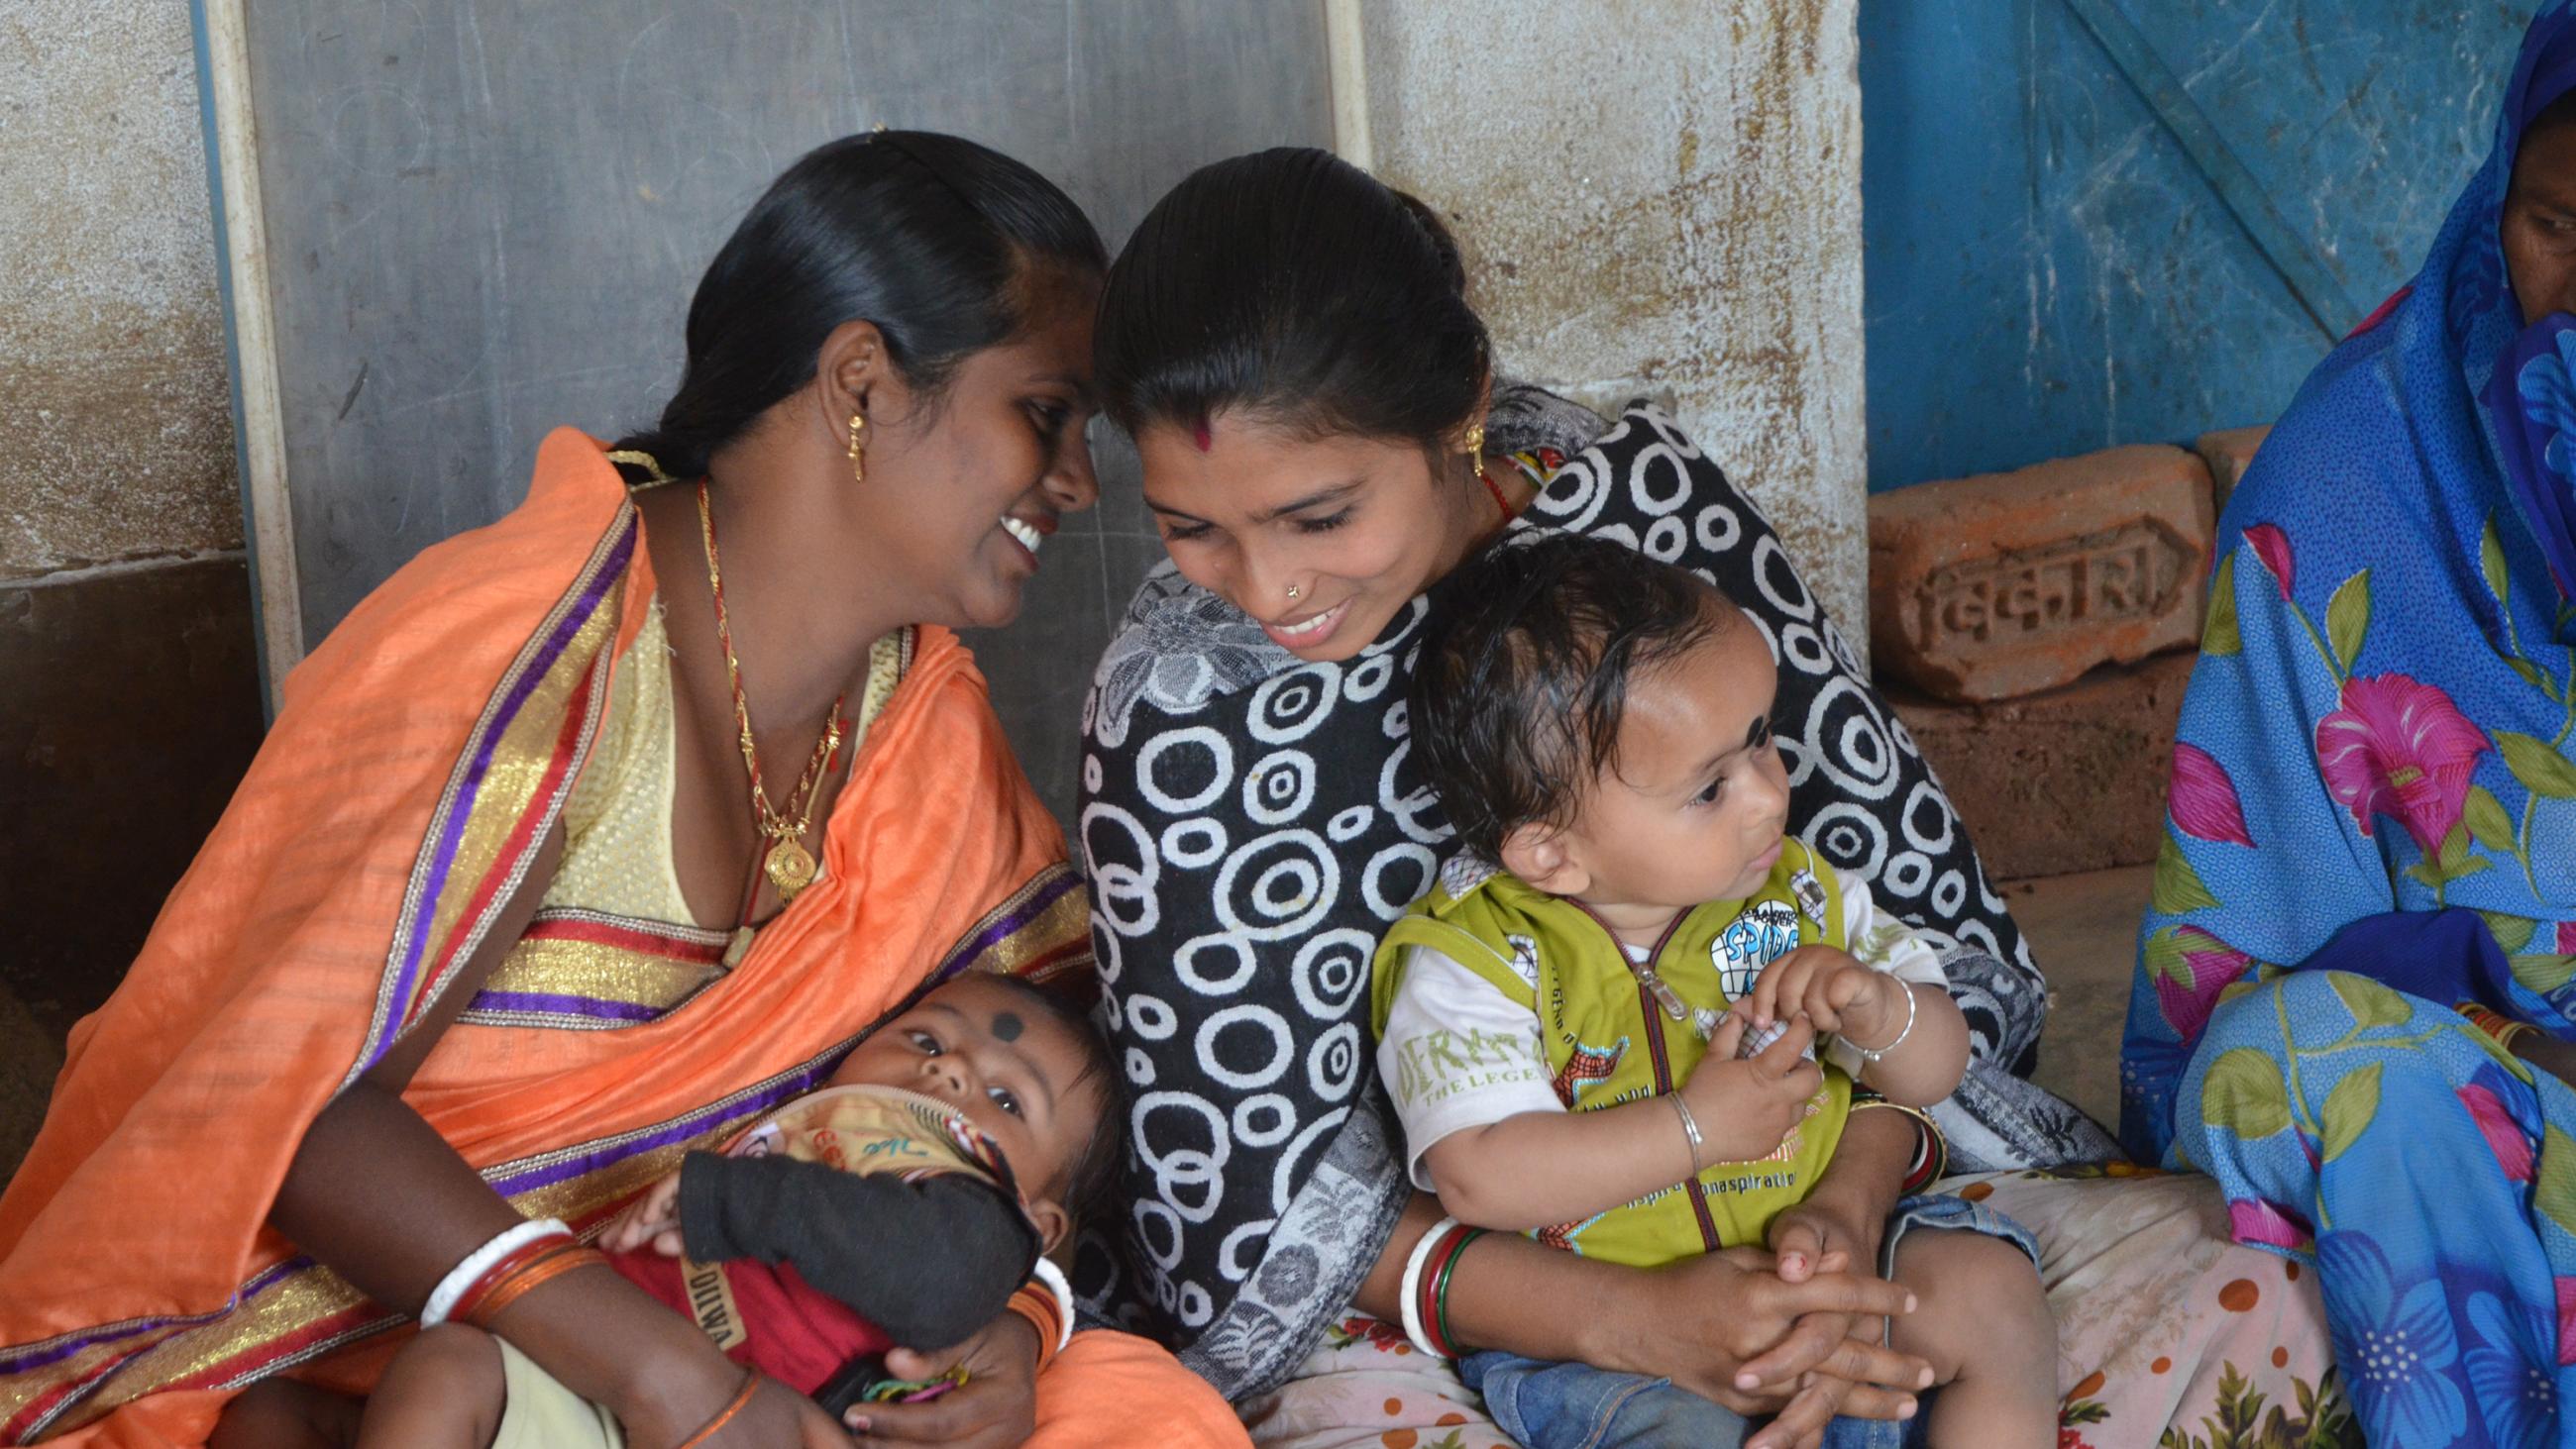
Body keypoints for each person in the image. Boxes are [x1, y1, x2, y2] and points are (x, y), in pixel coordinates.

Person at [0, 131, 1240, 1449]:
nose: (1078, 480)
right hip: (368, 1366)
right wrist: (667, 1377)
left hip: (751, 1342)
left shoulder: (913, 723)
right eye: (1047, 413)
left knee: (1136, 1408)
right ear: (861, 383)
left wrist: (1014, 1313)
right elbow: (293, 1113)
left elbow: (1052, 1095)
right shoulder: (525, 643)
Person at [1076, 145, 2319, 1449]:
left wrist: (1833, 1227)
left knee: (2263, 1305)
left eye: (1319, 515)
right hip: (1459, 1309)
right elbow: (1250, 1212)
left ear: (1460, 411)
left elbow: (1907, 926)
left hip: (1828, 1200)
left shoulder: (1650, 517)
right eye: (1192, 528)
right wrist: (1632, 1318)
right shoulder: (1180, 705)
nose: (1267, 589)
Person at [2120, 4, 2576, 1444]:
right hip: (2495, 1088)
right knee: (2293, 1052)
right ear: (2500, 193)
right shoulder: (2338, 503)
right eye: (2556, 223)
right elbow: (2258, 962)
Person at [1371, 533, 2055, 1448]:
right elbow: (1479, 1170)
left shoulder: (1803, 895)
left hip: (1831, 1263)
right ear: (1552, 853)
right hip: (1613, 1352)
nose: (1771, 796)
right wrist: (1695, 1130)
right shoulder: (1479, 959)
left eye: (1761, 739)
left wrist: (1877, 1007)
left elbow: (1936, 1068)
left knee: (1991, 1295)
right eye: (1709, 789)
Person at [246, 973, 1121, 1448]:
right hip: (593, 1377)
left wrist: (730, 1200)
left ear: (1037, 1229)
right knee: (438, 1370)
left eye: (1006, 1101)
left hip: (771, 1427)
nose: (950, 1075)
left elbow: (932, 1273)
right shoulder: (809, 1131)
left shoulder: (971, 1222)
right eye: (926, 1040)